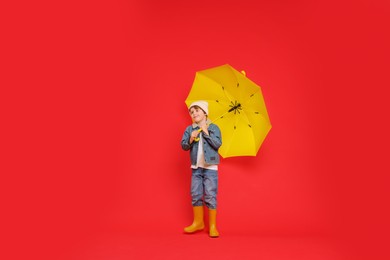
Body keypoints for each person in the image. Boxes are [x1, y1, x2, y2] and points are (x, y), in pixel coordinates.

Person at [181, 100, 222, 238]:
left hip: (210, 168)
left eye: (197, 110)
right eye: (191, 112)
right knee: (195, 194)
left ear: (205, 112)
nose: (194, 113)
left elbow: (218, 144)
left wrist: (206, 133)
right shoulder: (189, 129)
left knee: (210, 195)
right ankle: (198, 222)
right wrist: (191, 139)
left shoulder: (214, 127)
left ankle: (212, 226)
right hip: (196, 168)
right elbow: (184, 146)